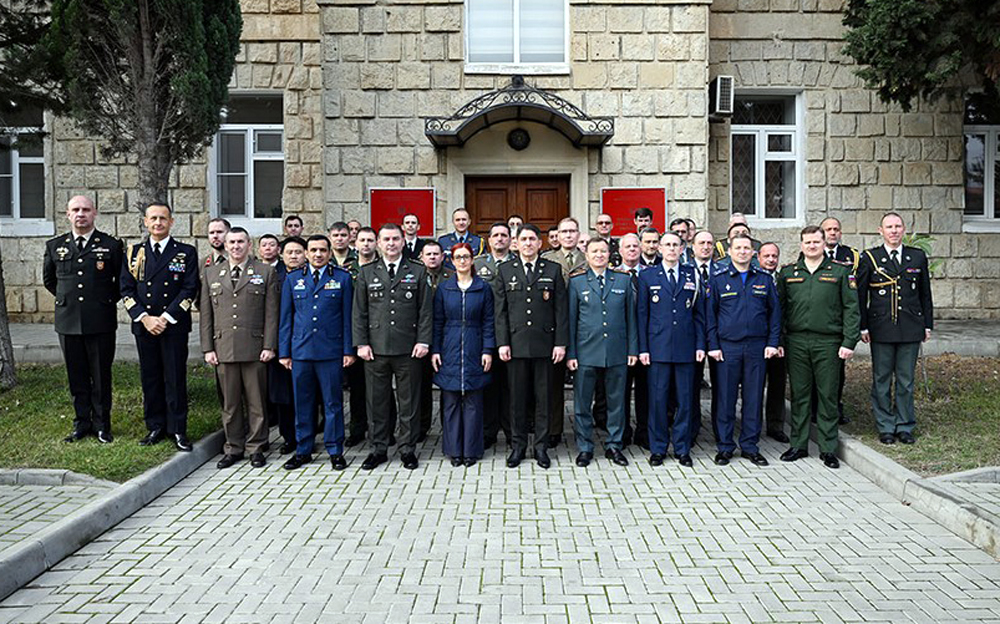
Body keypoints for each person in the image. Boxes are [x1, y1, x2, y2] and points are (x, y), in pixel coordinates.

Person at [777, 225, 860, 469]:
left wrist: (849, 341)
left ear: (824, 243)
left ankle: (827, 448)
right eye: (807, 242)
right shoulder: (788, 273)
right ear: (801, 245)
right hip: (797, 342)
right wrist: (780, 340)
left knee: (827, 395)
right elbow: (780, 310)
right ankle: (799, 445)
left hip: (829, 343)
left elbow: (851, 309)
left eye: (816, 241)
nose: (812, 246)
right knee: (800, 395)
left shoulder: (840, 272)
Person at [43, 195, 124, 444]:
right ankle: (81, 424)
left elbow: (121, 283)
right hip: (68, 322)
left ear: (94, 213)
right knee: (76, 376)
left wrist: (100, 302)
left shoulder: (110, 245)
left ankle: (102, 425)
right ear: (68, 214)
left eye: (86, 210)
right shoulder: (55, 246)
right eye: (76, 210)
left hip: (100, 321)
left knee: (100, 376)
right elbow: (50, 281)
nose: (81, 214)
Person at [120, 202, 199, 452]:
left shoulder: (185, 252)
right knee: (150, 376)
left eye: (163, 218)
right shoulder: (133, 252)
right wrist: (145, 318)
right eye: (153, 218)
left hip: (172, 326)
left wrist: (165, 318)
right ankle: (154, 426)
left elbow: (189, 289)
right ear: (145, 222)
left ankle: (178, 429)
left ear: (171, 222)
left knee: (175, 377)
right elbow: (126, 289)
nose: (158, 223)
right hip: (144, 326)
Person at [354, 223, 433, 470]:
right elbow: (359, 313)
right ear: (379, 243)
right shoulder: (366, 273)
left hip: (408, 348)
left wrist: (423, 340)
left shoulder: (418, 272)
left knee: (409, 402)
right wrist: (361, 343)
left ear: (403, 242)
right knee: (376, 401)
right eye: (386, 239)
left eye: (395, 239)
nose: (391, 243)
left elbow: (425, 311)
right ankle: (378, 448)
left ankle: (407, 449)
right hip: (375, 349)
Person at [200, 227, 280, 469]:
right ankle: (233, 447)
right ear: (224, 245)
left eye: (240, 242)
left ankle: (256, 447)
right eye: (231, 242)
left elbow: (271, 313)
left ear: (249, 245)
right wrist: (207, 348)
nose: (235, 246)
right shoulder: (211, 273)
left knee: (256, 402)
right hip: (223, 347)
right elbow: (206, 314)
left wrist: (269, 345)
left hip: (255, 347)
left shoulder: (265, 272)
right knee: (230, 403)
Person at [279, 235, 355, 471]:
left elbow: (347, 318)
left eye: (323, 250)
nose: (318, 254)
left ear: (330, 253)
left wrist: (347, 350)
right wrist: (284, 352)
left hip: (330, 352)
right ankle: (303, 450)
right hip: (300, 352)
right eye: (313, 250)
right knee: (303, 403)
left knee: (333, 403)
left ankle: (335, 450)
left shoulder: (342, 278)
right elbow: (286, 318)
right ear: (306, 253)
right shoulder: (293, 279)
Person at [857, 212, 933, 445]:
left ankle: (904, 425)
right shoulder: (870, 257)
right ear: (880, 231)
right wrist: (863, 326)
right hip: (881, 327)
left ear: (904, 229)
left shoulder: (917, 257)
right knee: (881, 379)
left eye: (898, 226)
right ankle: (885, 426)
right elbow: (861, 296)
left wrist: (927, 324)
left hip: (910, 326)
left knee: (906, 379)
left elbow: (924, 294)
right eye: (889, 227)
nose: (894, 230)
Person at [495, 224, 567, 469]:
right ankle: (517, 447)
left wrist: (560, 344)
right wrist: (502, 342)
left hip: (545, 345)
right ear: (516, 243)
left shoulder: (553, 269)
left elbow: (561, 311)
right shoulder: (505, 270)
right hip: (515, 346)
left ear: (540, 243)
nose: (527, 243)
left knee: (543, 399)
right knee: (517, 399)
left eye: (532, 239)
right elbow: (500, 312)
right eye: (523, 239)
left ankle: (541, 447)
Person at [705, 234, 781, 467]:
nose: (742, 252)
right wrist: (713, 346)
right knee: (725, 398)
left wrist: (772, 343)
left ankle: (750, 446)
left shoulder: (764, 280)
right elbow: (710, 317)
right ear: (729, 252)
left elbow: (775, 315)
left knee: (753, 398)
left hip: (757, 347)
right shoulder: (718, 280)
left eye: (747, 248)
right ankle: (725, 446)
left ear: (753, 253)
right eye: (738, 248)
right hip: (728, 347)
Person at [637, 232, 705, 468]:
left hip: (686, 349)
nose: (671, 249)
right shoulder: (647, 276)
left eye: (675, 245)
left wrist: (700, 345)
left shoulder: (691, 274)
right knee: (657, 400)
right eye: (667, 245)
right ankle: (658, 448)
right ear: (660, 249)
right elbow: (642, 315)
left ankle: (682, 448)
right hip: (657, 349)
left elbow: (699, 314)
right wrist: (643, 349)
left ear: (682, 248)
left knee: (685, 401)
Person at [567, 238, 637, 468]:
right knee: (582, 403)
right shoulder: (577, 282)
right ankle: (585, 447)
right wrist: (572, 354)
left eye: (603, 251)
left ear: (610, 254)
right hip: (586, 351)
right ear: (586, 255)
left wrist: (632, 349)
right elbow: (571, 321)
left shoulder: (623, 280)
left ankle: (614, 445)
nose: (599, 255)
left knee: (617, 402)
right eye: (594, 251)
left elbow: (631, 319)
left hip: (617, 350)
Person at [432, 243, 495, 467]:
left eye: (466, 257)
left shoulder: (483, 288)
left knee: (473, 402)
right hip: (449, 345)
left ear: (472, 260)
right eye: (458, 257)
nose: (462, 261)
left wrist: (488, 350)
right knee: (450, 402)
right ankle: (453, 450)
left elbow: (489, 321)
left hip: (474, 344)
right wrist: (436, 350)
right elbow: (437, 322)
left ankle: (471, 450)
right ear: (452, 260)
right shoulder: (444, 289)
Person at [541, 217, 587, 448]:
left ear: (579, 234)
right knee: (553, 384)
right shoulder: (547, 259)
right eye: (564, 231)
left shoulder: (588, 259)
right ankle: (554, 429)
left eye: (572, 231)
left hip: (583, 329)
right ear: (557, 235)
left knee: (584, 385)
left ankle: (585, 430)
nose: (568, 235)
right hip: (554, 329)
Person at [474, 222, 514, 448]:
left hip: (511, 334)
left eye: (504, 235)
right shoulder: (478, 264)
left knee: (510, 388)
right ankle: (488, 432)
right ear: (489, 240)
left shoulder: (517, 264)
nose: (499, 239)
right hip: (485, 335)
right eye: (495, 235)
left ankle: (510, 431)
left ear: (510, 240)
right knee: (488, 386)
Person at [269, 236, 307, 454]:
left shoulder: (312, 276)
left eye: (298, 252)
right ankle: (288, 437)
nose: (294, 256)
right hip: (280, 343)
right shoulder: (272, 277)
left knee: (305, 394)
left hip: (305, 343)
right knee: (283, 395)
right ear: (281, 254)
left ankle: (306, 434)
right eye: (290, 252)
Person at [689, 230, 727, 445]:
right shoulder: (685, 271)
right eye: (701, 243)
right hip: (693, 339)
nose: (705, 247)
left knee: (720, 387)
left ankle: (719, 432)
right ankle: (692, 431)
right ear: (692, 246)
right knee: (691, 388)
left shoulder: (722, 271)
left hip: (718, 339)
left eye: (709, 243)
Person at [616, 233, 649, 449]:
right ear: (619, 251)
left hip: (647, 342)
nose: (632, 250)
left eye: (635, 246)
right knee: (621, 392)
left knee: (646, 391)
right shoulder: (613, 275)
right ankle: (623, 432)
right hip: (621, 343)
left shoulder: (651, 274)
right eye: (627, 246)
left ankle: (644, 432)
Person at [418, 240, 452, 441]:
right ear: (421, 257)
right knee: (421, 387)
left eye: (436, 254)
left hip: (446, 339)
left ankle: (449, 427)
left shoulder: (452, 276)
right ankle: (422, 427)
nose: (432, 257)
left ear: (442, 256)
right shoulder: (414, 276)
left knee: (448, 386)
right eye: (428, 254)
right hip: (421, 339)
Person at [757, 241, 790, 443]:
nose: (771, 260)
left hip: (780, 343)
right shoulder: (753, 278)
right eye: (767, 256)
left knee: (777, 385)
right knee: (754, 386)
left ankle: (775, 426)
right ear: (758, 258)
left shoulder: (784, 279)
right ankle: (751, 424)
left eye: (774, 256)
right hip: (758, 342)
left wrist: (779, 341)